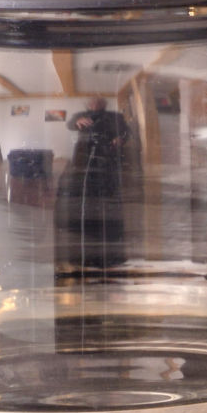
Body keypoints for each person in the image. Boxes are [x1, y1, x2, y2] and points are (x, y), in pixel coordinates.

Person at [53, 97, 134, 279]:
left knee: (109, 204)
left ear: (104, 104)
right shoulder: (81, 116)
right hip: (84, 164)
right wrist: (78, 121)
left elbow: (127, 133)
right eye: (92, 102)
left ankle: (111, 254)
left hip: (108, 164)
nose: (94, 104)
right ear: (88, 104)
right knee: (85, 203)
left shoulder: (115, 117)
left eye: (98, 102)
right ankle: (84, 252)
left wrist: (119, 139)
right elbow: (70, 124)